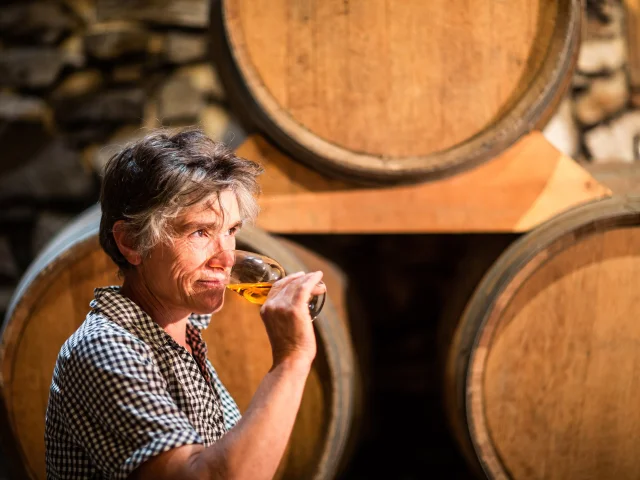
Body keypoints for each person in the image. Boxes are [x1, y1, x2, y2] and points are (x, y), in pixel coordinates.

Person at [44, 128, 325, 479]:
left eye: (230, 230)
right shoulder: (106, 349)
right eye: (200, 233)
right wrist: (291, 360)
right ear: (131, 242)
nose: (225, 257)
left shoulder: (180, 330)